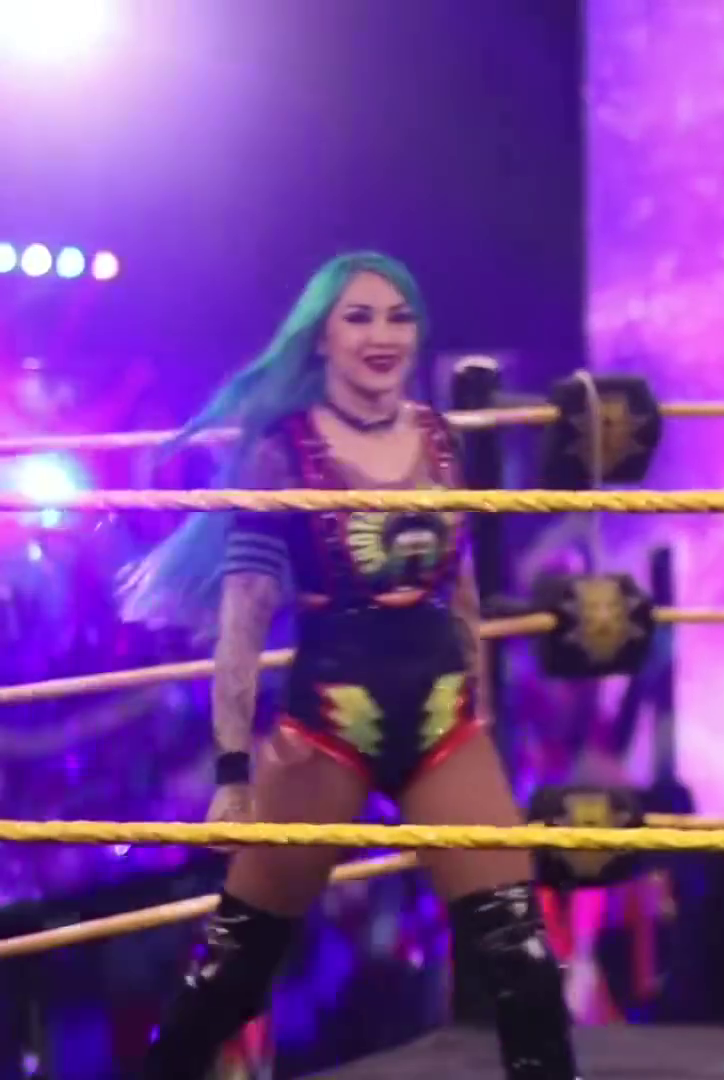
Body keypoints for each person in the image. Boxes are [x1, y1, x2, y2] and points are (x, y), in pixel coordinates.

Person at [119, 252, 579, 1079]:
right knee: (234, 971)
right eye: (359, 317)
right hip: (329, 730)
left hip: (441, 722)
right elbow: (243, 623)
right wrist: (232, 772)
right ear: (321, 337)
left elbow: (462, 588)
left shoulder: (437, 439)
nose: (381, 335)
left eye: (398, 316)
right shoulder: (283, 454)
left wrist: (479, 705)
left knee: (523, 955)